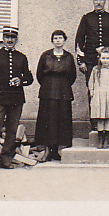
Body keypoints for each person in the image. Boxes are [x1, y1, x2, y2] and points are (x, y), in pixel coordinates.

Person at [0, 25, 34, 171]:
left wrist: (21, 80)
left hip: (16, 100)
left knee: (12, 130)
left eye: (13, 38)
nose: (10, 40)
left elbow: (29, 77)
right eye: (7, 37)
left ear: (16, 39)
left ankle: (6, 159)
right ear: (3, 39)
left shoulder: (21, 57)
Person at [34, 29, 77, 161]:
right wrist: (49, 85)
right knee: (48, 121)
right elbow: (39, 75)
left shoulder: (69, 57)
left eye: (60, 38)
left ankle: (56, 150)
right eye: (55, 38)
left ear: (64, 40)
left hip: (63, 93)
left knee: (61, 121)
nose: (58, 41)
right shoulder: (45, 55)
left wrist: (62, 85)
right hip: (48, 92)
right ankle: (47, 150)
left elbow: (72, 76)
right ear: (52, 41)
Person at [75, 0, 109, 97]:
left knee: (108, 86)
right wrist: (81, 61)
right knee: (92, 86)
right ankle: (93, 113)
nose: (98, 2)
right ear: (93, 1)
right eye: (96, 0)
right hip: (90, 58)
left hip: (106, 59)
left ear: (105, 1)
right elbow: (79, 39)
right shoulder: (87, 18)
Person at [88, 48, 109, 149]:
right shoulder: (96, 69)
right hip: (98, 96)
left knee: (107, 118)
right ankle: (100, 138)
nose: (105, 60)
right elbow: (91, 82)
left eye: (107, 58)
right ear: (99, 58)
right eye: (103, 58)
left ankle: (106, 138)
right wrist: (92, 93)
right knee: (100, 118)